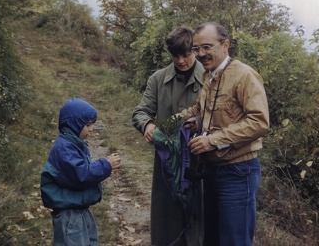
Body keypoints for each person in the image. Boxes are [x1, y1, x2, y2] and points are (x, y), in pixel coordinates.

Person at [178, 22, 270, 246]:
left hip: (238, 172)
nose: (201, 54)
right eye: (196, 49)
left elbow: (259, 122)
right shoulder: (208, 77)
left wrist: (213, 141)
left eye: (207, 47)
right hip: (211, 170)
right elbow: (200, 111)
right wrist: (169, 123)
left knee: (233, 240)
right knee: (212, 237)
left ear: (225, 45)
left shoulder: (245, 76)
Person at [132, 26, 204, 246]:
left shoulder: (212, 78)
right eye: (176, 56)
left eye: (186, 54)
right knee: (167, 223)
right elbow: (140, 111)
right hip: (167, 165)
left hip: (201, 162)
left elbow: (224, 116)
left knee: (200, 222)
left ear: (195, 51)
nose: (181, 61)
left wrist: (198, 124)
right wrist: (148, 125)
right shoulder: (158, 79)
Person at [40, 98, 122, 246]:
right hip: (69, 213)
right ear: (74, 124)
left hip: (79, 208)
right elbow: (81, 175)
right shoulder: (64, 148)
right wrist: (106, 165)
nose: (91, 129)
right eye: (88, 125)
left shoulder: (73, 144)